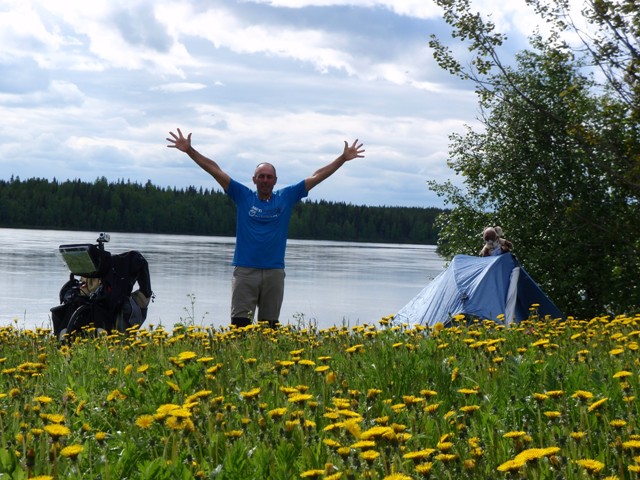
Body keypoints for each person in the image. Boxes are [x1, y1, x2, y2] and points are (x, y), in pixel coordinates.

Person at [167, 128, 365, 328]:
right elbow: (215, 170)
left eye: (269, 177)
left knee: (269, 328)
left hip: (274, 272)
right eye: (261, 176)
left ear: (275, 181)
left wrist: (343, 158)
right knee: (239, 327)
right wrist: (190, 151)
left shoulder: (286, 197)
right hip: (245, 270)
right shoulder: (243, 195)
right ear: (254, 180)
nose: (265, 180)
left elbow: (317, 176)